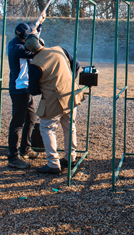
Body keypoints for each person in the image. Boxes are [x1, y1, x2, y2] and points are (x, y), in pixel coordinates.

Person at [25, 34, 84, 174]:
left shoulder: (35, 64)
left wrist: (47, 86)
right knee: (70, 127)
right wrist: (68, 80)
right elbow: (76, 64)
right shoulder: (59, 49)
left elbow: (33, 90)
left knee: (46, 128)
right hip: (71, 94)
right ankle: (70, 158)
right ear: (41, 42)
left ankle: (53, 163)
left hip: (53, 100)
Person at [6, 23, 38, 169]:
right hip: (19, 89)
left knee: (31, 118)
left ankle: (25, 148)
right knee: (17, 123)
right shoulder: (17, 48)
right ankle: (13, 157)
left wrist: (38, 28)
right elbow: (36, 50)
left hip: (26, 88)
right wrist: (36, 36)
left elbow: (32, 29)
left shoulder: (21, 42)